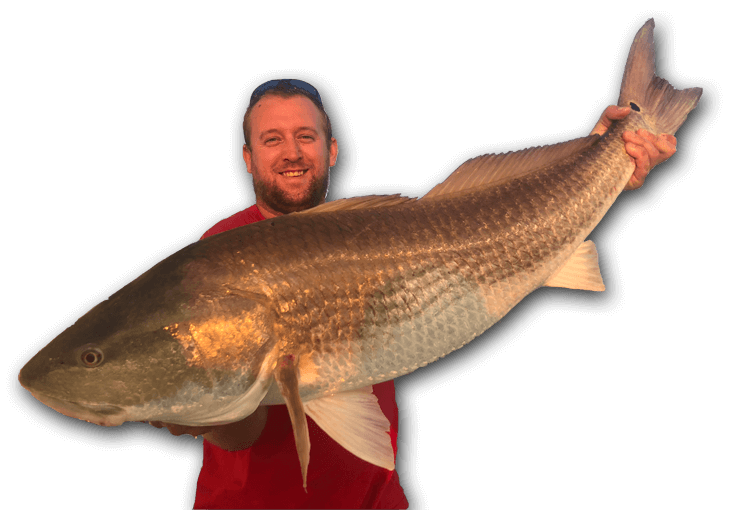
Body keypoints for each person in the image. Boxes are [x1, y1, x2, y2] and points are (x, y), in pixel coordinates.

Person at [150, 79, 678, 509]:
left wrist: (602, 155)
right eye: (271, 139)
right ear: (246, 157)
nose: (292, 153)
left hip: (378, 500)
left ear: (332, 149)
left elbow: (497, 214)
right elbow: (240, 433)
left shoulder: (378, 225)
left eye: (306, 137)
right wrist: (188, 398)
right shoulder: (218, 254)